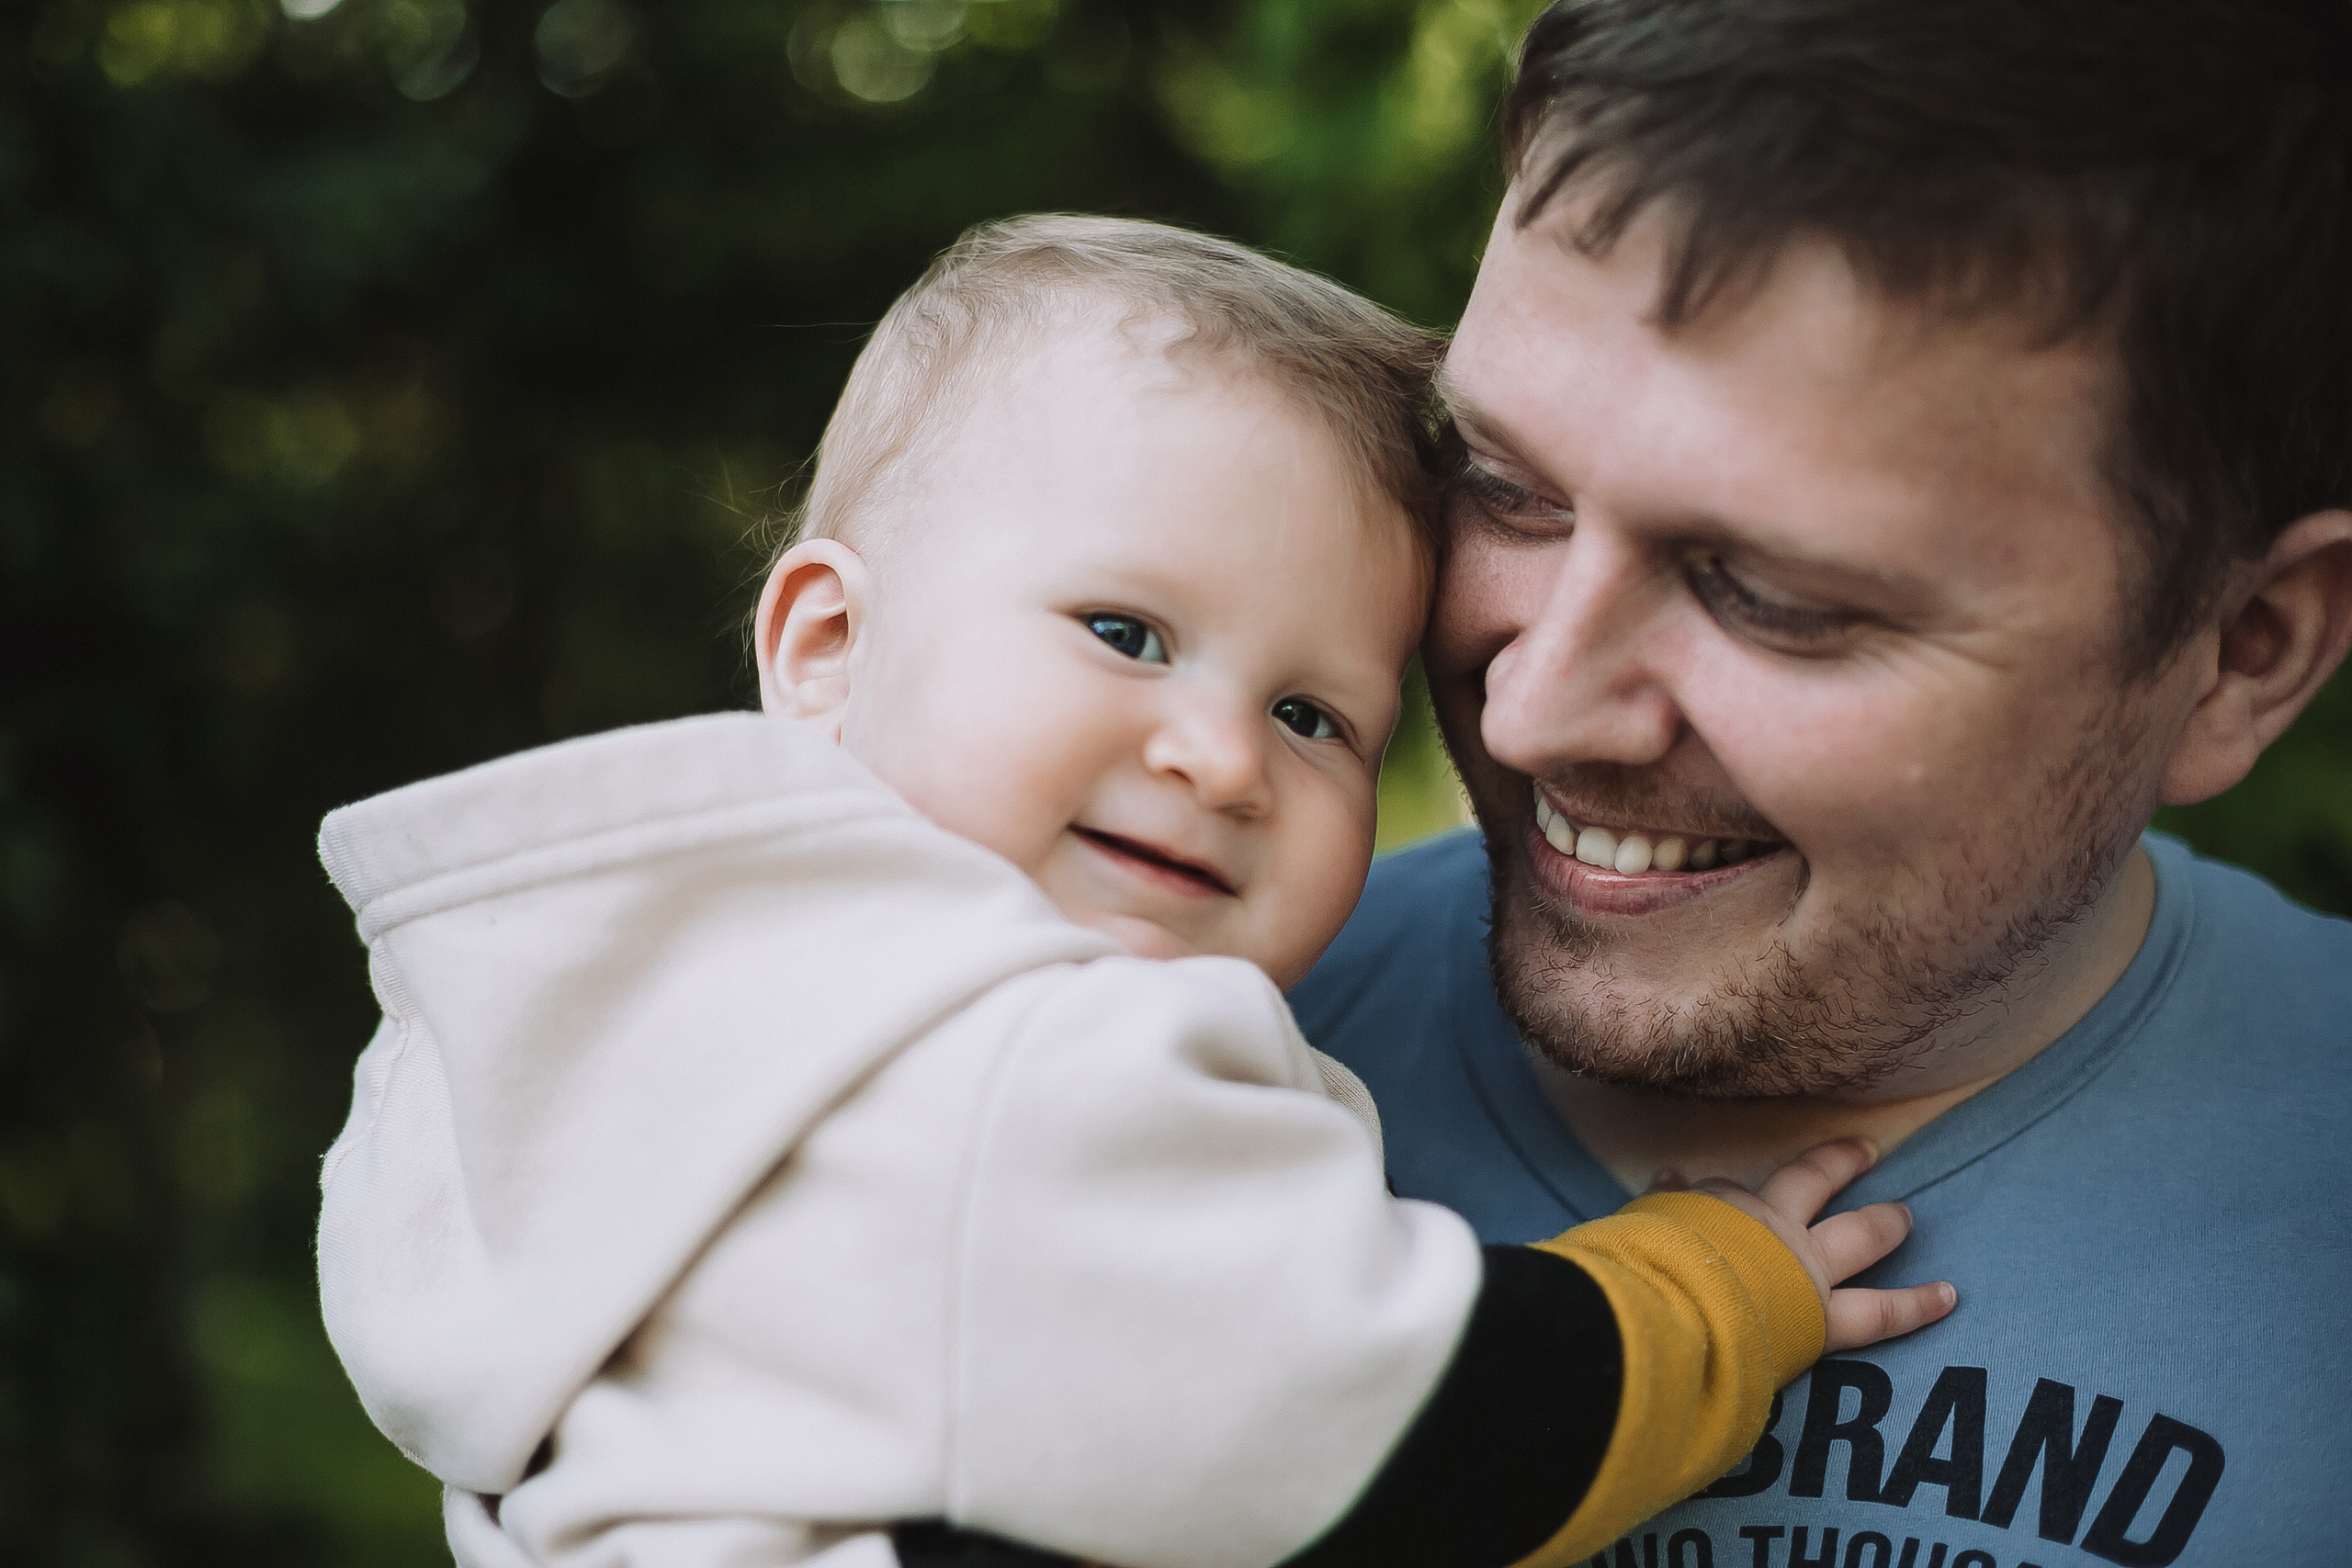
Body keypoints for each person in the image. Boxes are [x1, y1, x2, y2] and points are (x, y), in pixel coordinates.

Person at [313, 217, 1951, 1568]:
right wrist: (1718, 1282)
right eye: (1125, 634)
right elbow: (1417, 1436)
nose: (1223, 759)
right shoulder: (1019, 1065)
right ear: (826, 643)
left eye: (1312, 717)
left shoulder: (564, 1031)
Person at [1293, 4, 2352, 1565]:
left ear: (2243, 652)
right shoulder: (1150, 1044)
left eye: (1774, 597)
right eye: (1504, 489)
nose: (1530, 711)